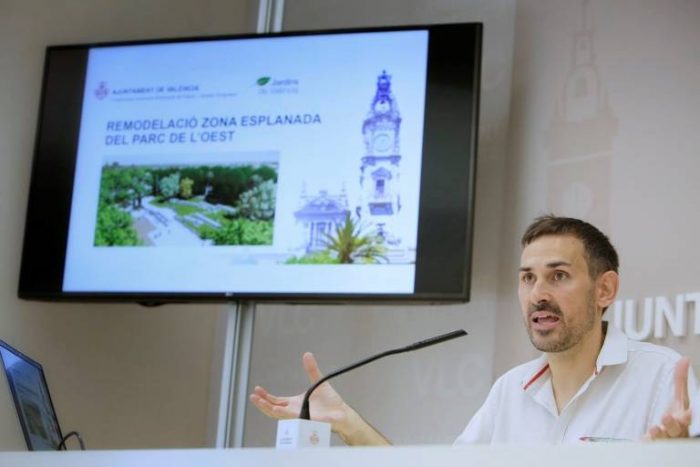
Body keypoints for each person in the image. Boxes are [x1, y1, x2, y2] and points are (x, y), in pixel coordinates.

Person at [250, 215, 698, 444]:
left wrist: (678, 460)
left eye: (558, 275)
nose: (538, 293)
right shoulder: (509, 392)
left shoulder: (661, 378)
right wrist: (349, 424)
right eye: (527, 278)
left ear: (605, 290)